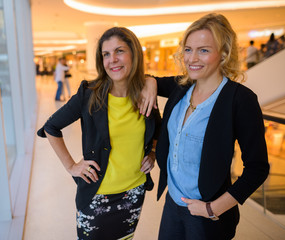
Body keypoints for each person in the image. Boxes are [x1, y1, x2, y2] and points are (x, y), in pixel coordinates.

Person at [141, 13, 270, 240]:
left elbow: (257, 169)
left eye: (204, 50)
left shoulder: (240, 100)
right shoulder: (181, 87)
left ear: (223, 54)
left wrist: (213, 209)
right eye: (188, 49)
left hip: (210, 213)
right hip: (173, 204)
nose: (192, 58)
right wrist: (151, 82)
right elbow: (148, 79)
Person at [37, 27, 161, 239]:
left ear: (134, 53)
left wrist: (153, 153)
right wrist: (71, 166)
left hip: (134, 192)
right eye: (106, 54)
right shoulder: (90, 94)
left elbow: (156, 128)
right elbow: (51, 127)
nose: (112, 59)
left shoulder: (145, 93)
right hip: (97, 196)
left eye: (119, 51)